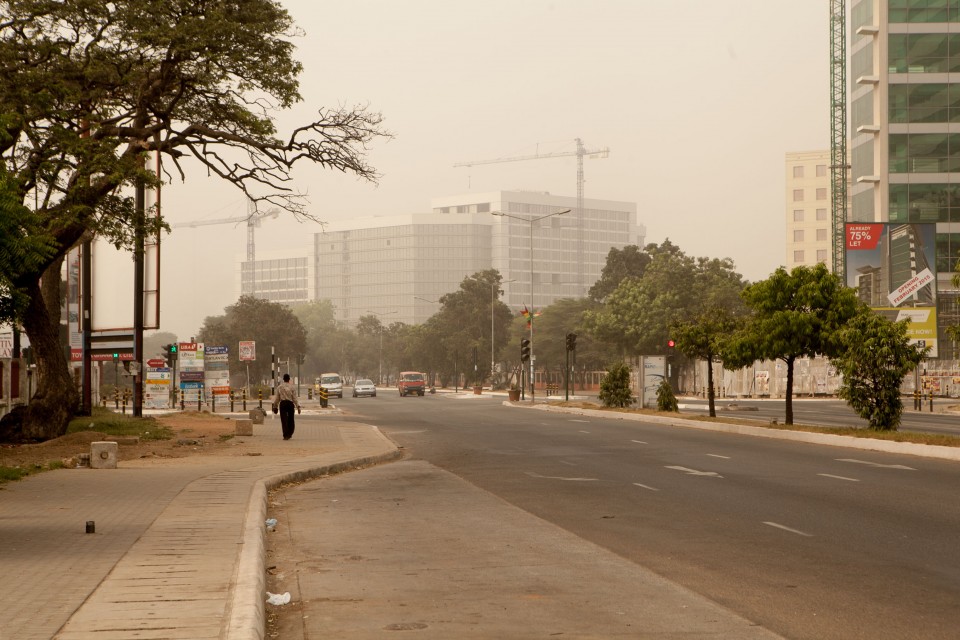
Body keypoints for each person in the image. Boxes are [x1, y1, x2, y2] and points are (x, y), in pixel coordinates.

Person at [271, 373, 301, 440]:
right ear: (289, 379)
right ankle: (290, 433)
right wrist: (298, 406)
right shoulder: (292, 387)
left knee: (284, 420)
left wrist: (275, 406)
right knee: (291, 419)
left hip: (283, 404)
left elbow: (277, 398)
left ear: (283, 379)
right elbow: (295, 398)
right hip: (290, 404)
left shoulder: (280, 387)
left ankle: (285, 435)